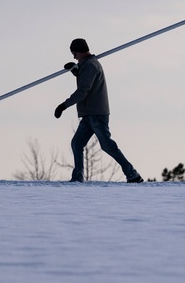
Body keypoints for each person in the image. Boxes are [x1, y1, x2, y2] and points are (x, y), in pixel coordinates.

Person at [54, 38, 144, 183]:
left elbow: (83, 91)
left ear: (81, 51)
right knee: (77, 143)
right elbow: (88, 81)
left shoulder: (91, 65)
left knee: (107, 146)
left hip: (96, 114)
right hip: (89, 114)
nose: (74, 57)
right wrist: (77, 71)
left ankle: (132, 174)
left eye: (74, 53)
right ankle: (77, 177)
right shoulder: (87, 65)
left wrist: (63, 106)